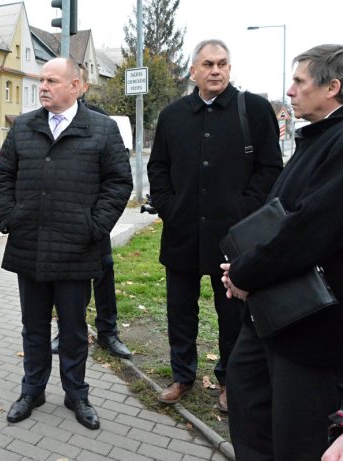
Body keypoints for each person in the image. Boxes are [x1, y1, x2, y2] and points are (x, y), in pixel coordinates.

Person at [0, 57, 133, 430]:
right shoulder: (23, 127)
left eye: (52, 80)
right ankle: (32, 390)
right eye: (41, 80)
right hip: (30, 247)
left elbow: (119, 183)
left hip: (76, 249)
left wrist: (94, 227)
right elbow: (2, 177)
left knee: (72, 330)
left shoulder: (101, 130)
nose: (43, 87)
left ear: (76, 86)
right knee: (33, 327)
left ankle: (77, 395)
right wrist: (10, 217)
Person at [221, 43, 343, 460]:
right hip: (273, 314)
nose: (289, 92)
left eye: (299, 81)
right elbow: (281, 214)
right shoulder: (318, 138)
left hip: (310, 327)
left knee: (297, 436)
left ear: (333, 88)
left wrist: (244, 273)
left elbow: (307, 230)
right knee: (248, 402)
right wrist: (242, 266)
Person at [147, 39, 282, 411]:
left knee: (233, 314)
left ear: (230, 68)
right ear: (193, 71)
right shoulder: (173, 115)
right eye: (207, 64)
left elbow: (270, 169)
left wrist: (245, 212)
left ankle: (230, 381)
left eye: (222, 63)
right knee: (180, 308)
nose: (216, 70)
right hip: (182, 233)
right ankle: (182, 375)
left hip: (233, 238)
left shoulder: (253, 110)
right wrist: (168, 206)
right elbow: (157, 167)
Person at [51, 64, 132, 360]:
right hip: (64, 224)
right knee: (67, 281)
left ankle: (108, 332)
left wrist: (99, 219)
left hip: (94, 220)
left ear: (80, 86)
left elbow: (117, 173)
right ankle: (70, 331)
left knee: (104, 273)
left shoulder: (100, 119)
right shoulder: (51, 121)